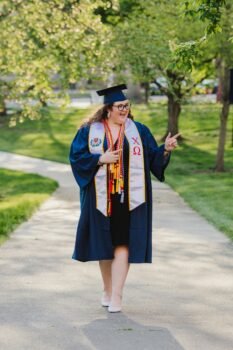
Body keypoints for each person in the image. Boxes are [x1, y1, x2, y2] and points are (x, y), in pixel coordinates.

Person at [69, 84, 179, 313]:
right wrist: (101, 159)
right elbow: (76, 158)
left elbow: (151, 157)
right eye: (120, 106)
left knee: (123, 243)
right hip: (100, 198)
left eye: (127, 106)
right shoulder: (90, 131)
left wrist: (165, 150)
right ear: (108, 109)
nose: (124, 110)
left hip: (130, 198)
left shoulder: (138, 130)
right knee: (104, 245)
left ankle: (117, 295)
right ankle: (107, 289)